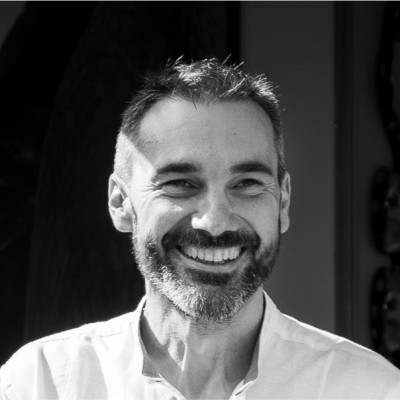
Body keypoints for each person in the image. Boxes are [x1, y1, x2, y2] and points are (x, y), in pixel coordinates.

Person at [1, 58, 399, 400]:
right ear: (121, 203)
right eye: (180, 183)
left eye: (247, 183)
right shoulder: (40, 383)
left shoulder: (370, 390)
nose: (215, 222)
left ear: (282, 202)